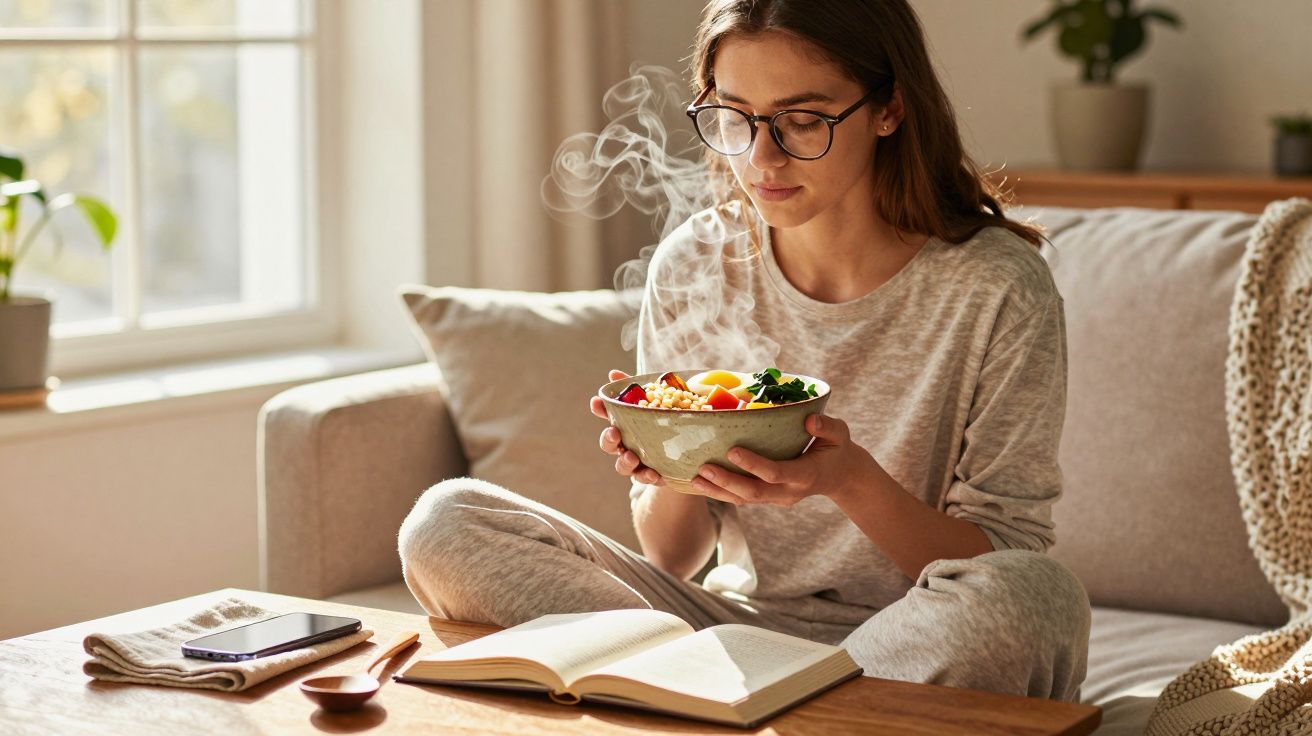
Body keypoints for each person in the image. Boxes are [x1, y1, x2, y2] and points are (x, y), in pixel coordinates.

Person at [399, 0, 1090, 702]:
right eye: (735, 117)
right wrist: (669, 460)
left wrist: (848, 480)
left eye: (802, 120)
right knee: (446, 522)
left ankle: (736, 704)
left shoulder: (997, 285)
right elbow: (671, 557)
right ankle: (740, 697)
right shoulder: (696, 260)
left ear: (889, 109)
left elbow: (1000, 557)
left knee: (1032, 598)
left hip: (906, 636)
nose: (761, 157)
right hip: (730, 631)